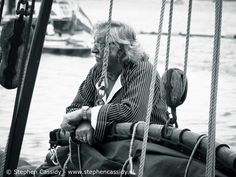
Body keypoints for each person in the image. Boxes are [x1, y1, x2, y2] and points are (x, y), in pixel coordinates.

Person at [60, 21, 168, 145]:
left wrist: (84, 114)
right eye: (94, 43)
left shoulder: (144, 70)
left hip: (143, 150)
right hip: (110, 149)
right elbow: (73, 109)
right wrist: (84, 122)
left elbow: (132, 114)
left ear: (123, 48)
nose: (94, 50)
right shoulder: (97, 71)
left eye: (102, 44)